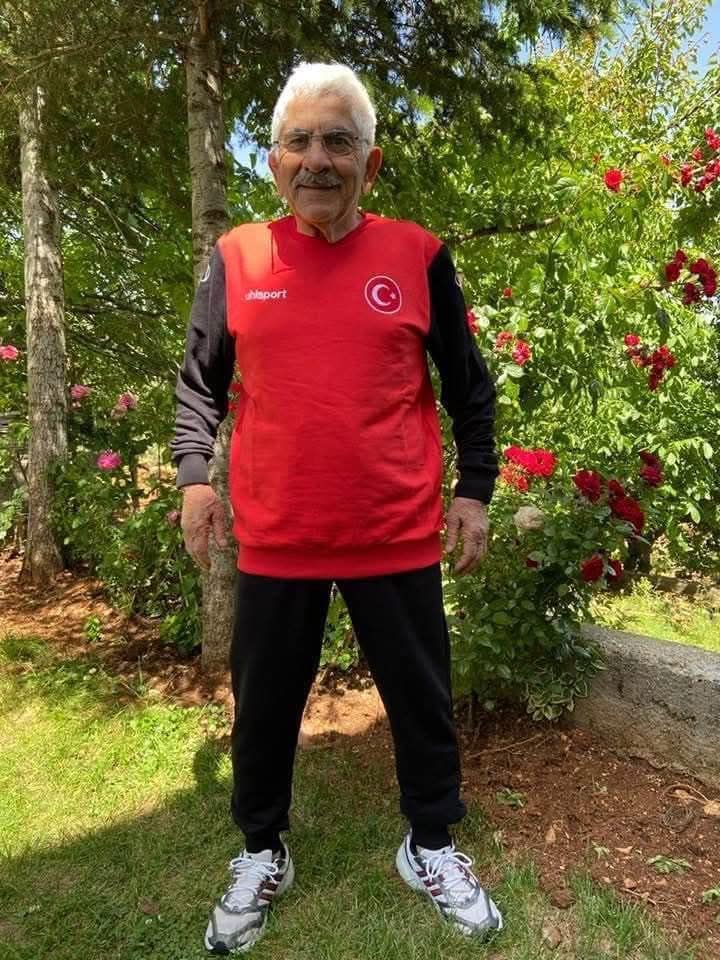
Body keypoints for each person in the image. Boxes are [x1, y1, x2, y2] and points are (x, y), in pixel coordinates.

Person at [171, 61, 502, 955]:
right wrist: (195, 478)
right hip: (278, 538)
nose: (318, 159)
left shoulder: (418, 256)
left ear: (370, 162)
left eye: (338, 142)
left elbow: (470, 388)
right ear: (275, 161)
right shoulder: (238, 258)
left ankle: (429, 844)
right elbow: (200, 382)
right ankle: (261, 850)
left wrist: (473, 491)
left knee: (421, 700)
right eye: (300, 142)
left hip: (395, 534)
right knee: (265, 708)